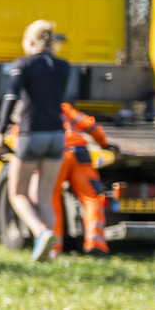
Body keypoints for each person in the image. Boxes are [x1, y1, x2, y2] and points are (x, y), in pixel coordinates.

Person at [0, 18, 71, 261]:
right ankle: (51, 255)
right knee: (45, 196)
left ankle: (41, 231)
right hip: (57, 135)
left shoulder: (24, 64)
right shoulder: (63, 66)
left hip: (31, 133)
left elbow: (10, 97)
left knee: (17, 193)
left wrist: (0, 131)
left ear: (31, 41)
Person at [50, 101, 112, 256]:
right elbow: (91, 126)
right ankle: (96, 243)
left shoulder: (35, 110)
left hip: (56, 156)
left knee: (52, 199)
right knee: (92, 197)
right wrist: (104, 144)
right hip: (79, 154)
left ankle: (54, 247)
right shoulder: (64, 108)